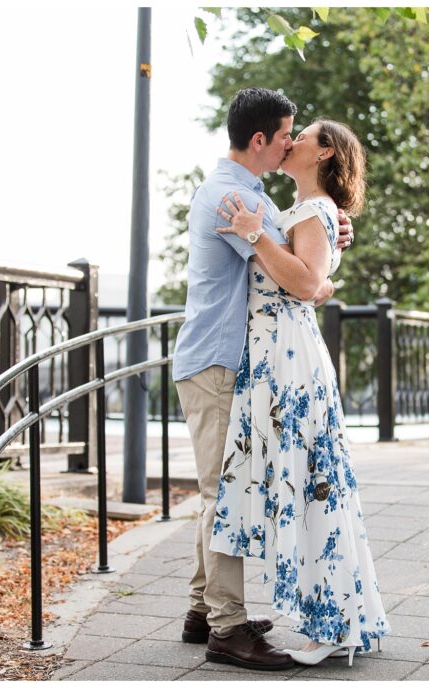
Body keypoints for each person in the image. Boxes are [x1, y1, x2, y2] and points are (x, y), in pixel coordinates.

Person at [173, 87, 353, 672]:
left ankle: (205, 611)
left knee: (218, 490)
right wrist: (323, 280)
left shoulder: (251, 195)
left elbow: (296, 242)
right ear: (260, 141)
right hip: (218, 362)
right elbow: (296, 279)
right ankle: (226, 629)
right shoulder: (231, 199)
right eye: (284, 136)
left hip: (226, 360)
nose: (289, 145)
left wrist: (328, 231)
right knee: (220, 493)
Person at [210, 117, 390, 668]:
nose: (293, 141)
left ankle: (331, 623)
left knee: (310, 481)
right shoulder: (308, 212)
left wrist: (253, 232)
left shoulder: (311, 212)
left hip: (289, 358)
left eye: (304, 135)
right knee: (307, 480)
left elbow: (307, 284)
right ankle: (334, 615)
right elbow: (314, 280)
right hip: (277, 354)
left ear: (325, 152)